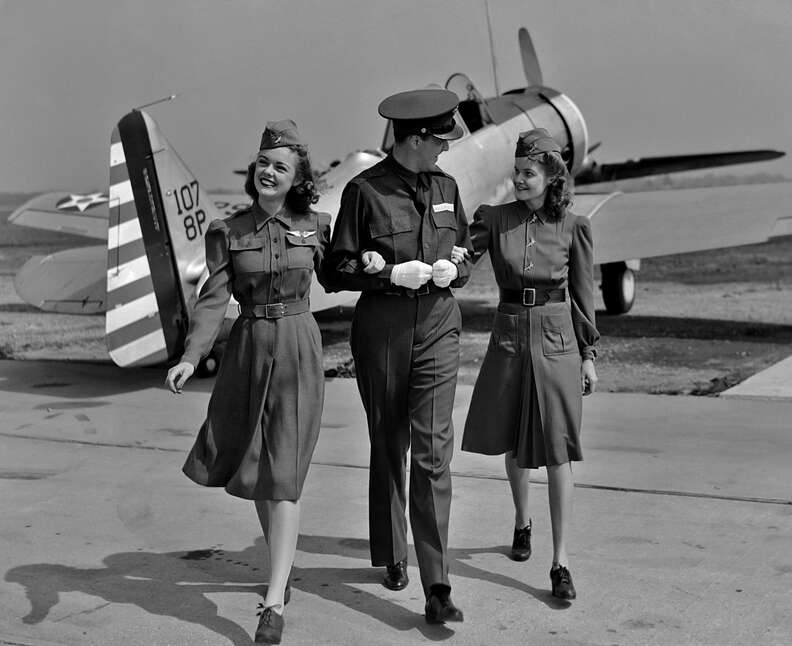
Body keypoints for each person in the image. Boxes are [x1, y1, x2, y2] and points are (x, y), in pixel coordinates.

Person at [165, 120, 330, 644]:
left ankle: (274, 599)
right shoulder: (229, 232)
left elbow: (346, 274)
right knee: (259, 471)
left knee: (283, 476)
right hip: (248, 351)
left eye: (280, 166)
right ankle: (280, 571)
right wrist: (192, 356)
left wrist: (385, 269)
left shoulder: (317, 225)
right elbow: (213, 300)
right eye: (263, 163)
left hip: (299, 350)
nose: (268, 171)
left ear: (297, 176)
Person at [322, 88, 473, 624]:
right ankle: (391, 553)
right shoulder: (363, 192)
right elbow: (334, 268)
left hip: (438, 323)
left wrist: (458, 267)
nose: (447, 149)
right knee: (389, 441)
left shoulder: (448, 188)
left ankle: (437, 582)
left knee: (433, 450)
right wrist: (386, 274)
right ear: (414, 139)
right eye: (440, 140)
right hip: (383, 326)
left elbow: (466, 250)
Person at [460, 128, 599, 600]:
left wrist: (589, 355)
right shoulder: (494, 219)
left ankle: (560, 562)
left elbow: (584, 295)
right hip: (509, 336)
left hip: (559, 337)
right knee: (514, 442)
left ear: (550, 177)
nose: (519, 179)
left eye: (528, 173)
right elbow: (460, 259)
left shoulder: (574, 227)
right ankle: (523, 520)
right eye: (516, 172)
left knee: (558, 450)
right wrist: (438, 268)